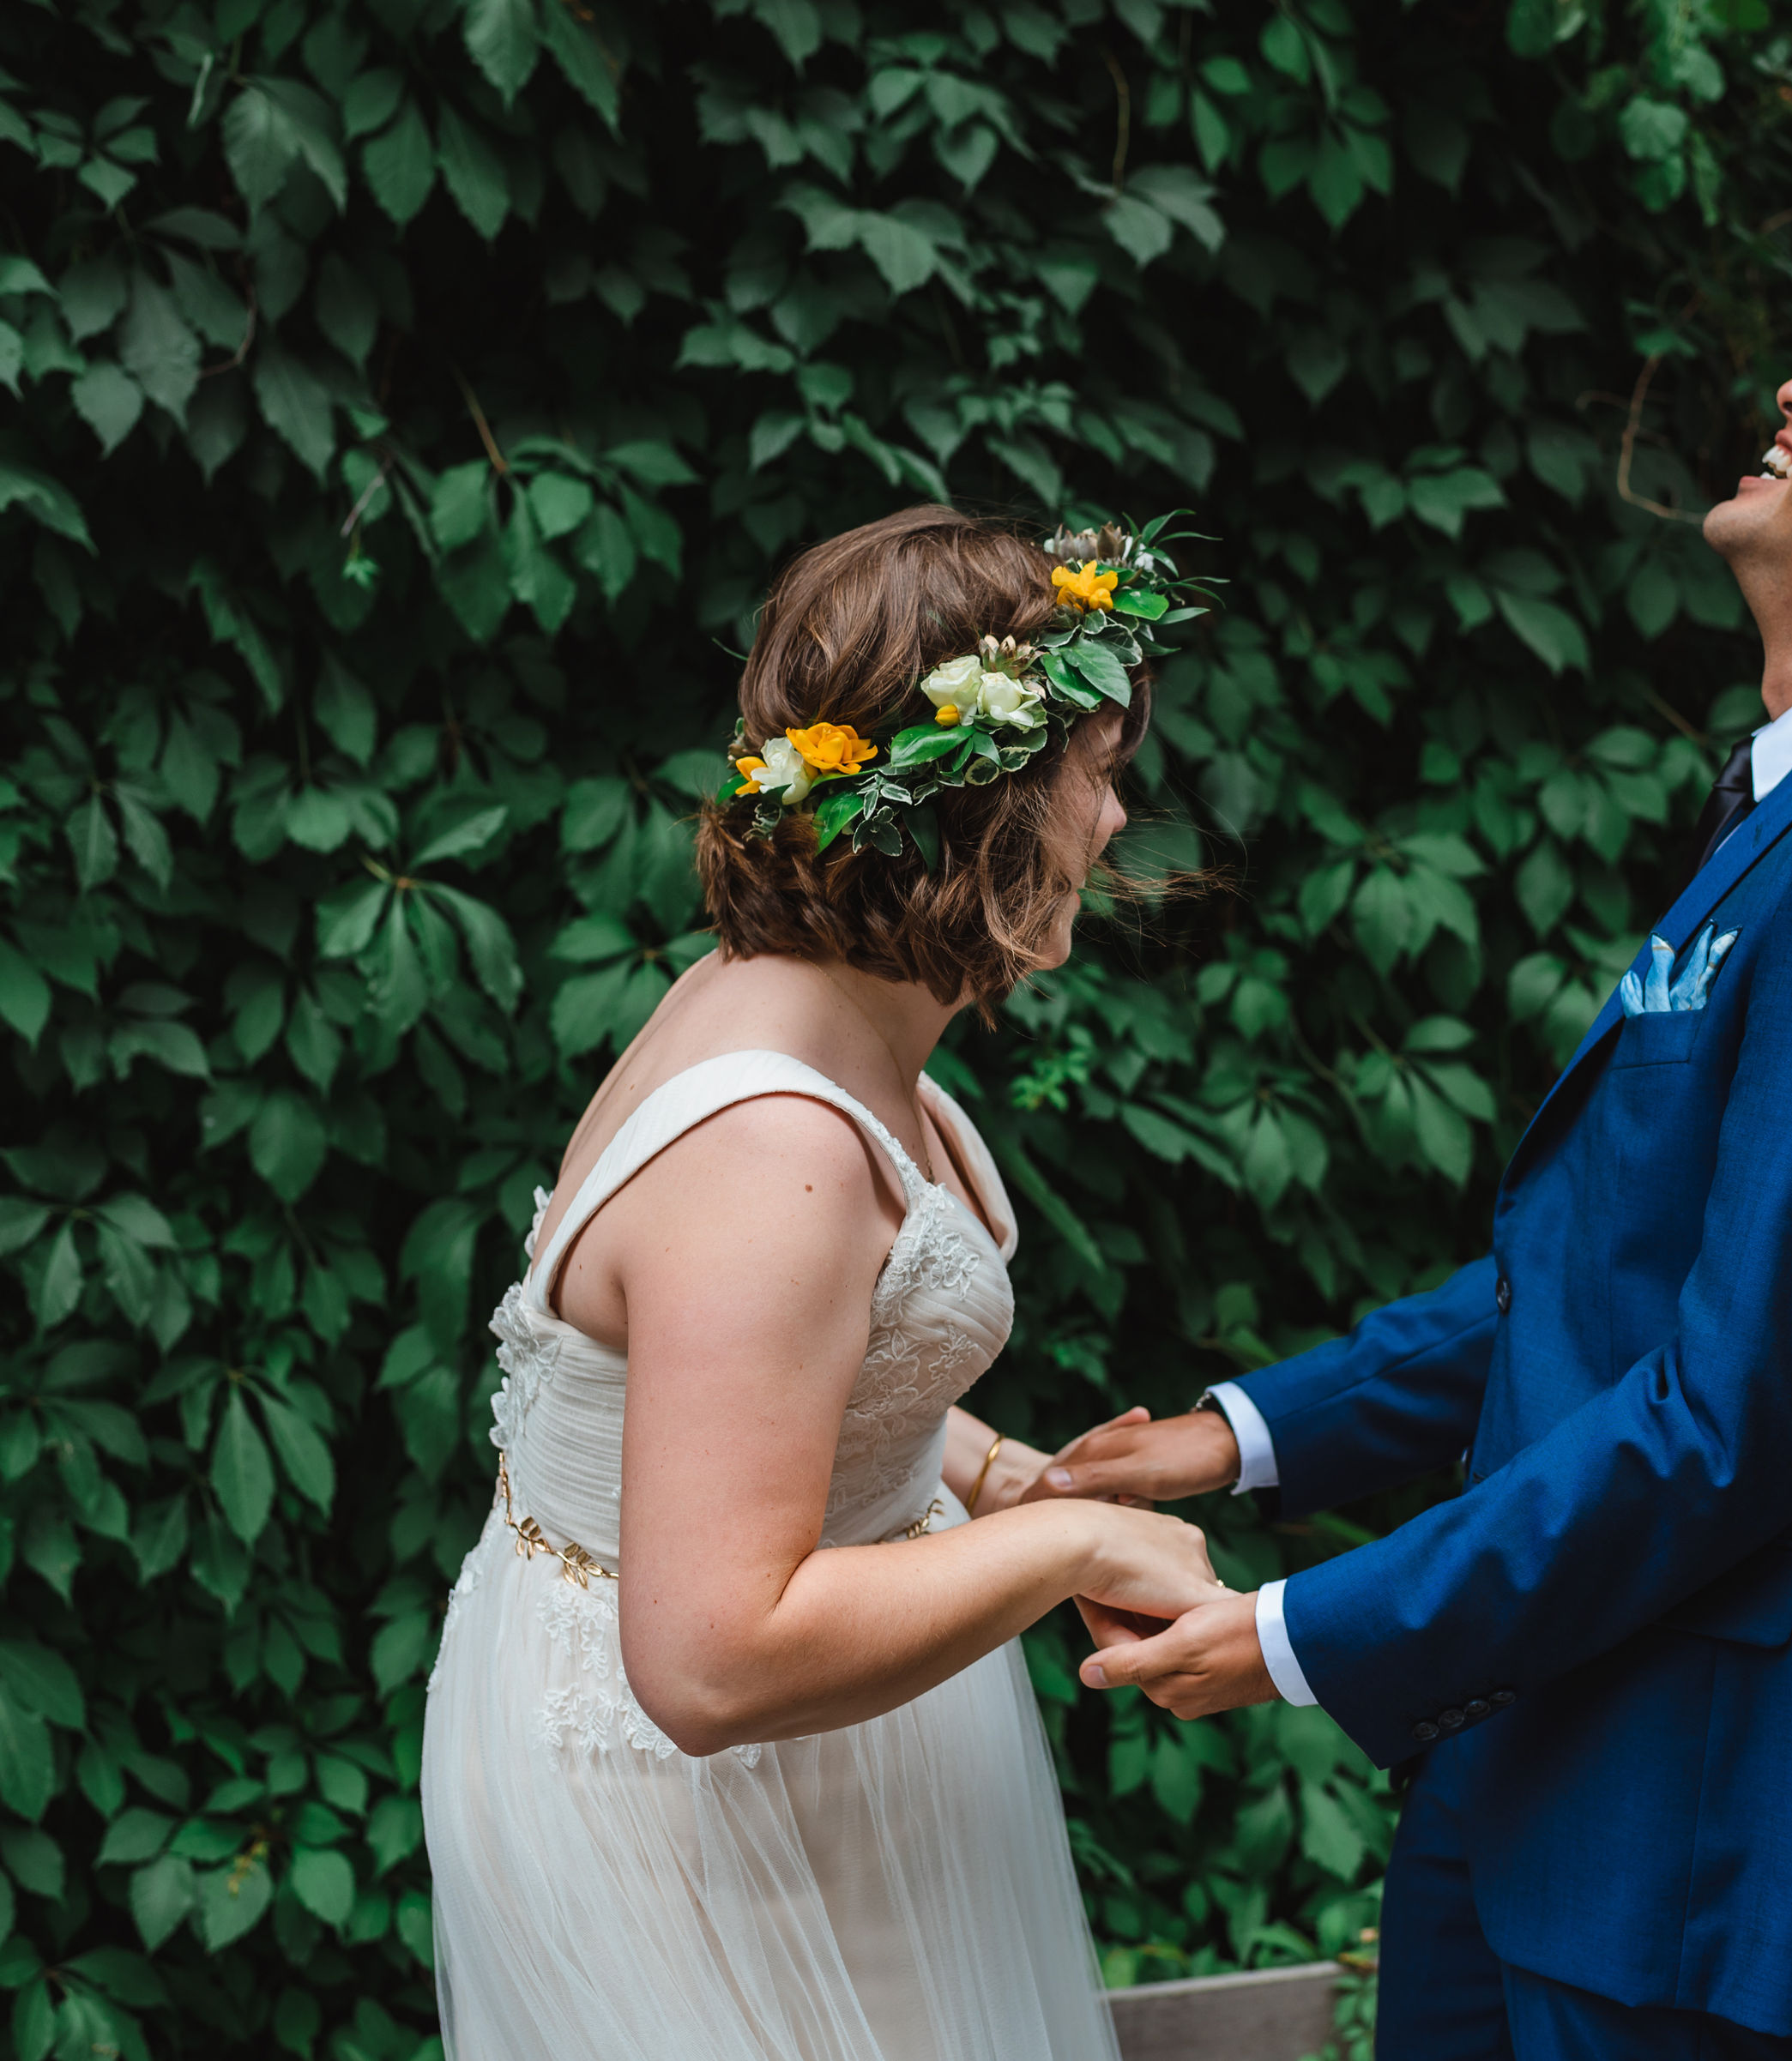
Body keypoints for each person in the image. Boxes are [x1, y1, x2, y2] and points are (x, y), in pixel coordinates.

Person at [1031, 241, 1792, 2058]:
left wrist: (1302, 1629)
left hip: (1689, 1838)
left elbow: (1737, 1406)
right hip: (1534, 1771)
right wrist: (1242, 1431)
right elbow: (1600, 1272)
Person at [420, 504, 1217, 2059]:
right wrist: (1076, 1540)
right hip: (703, 1794)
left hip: (834, 1751)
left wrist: (1004, 1471)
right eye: (1097, 773)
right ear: (982, 791)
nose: (1115, 822)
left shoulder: (820, 1002)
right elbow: (713, 1657)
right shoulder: (771, 1152)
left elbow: (802, 1397)